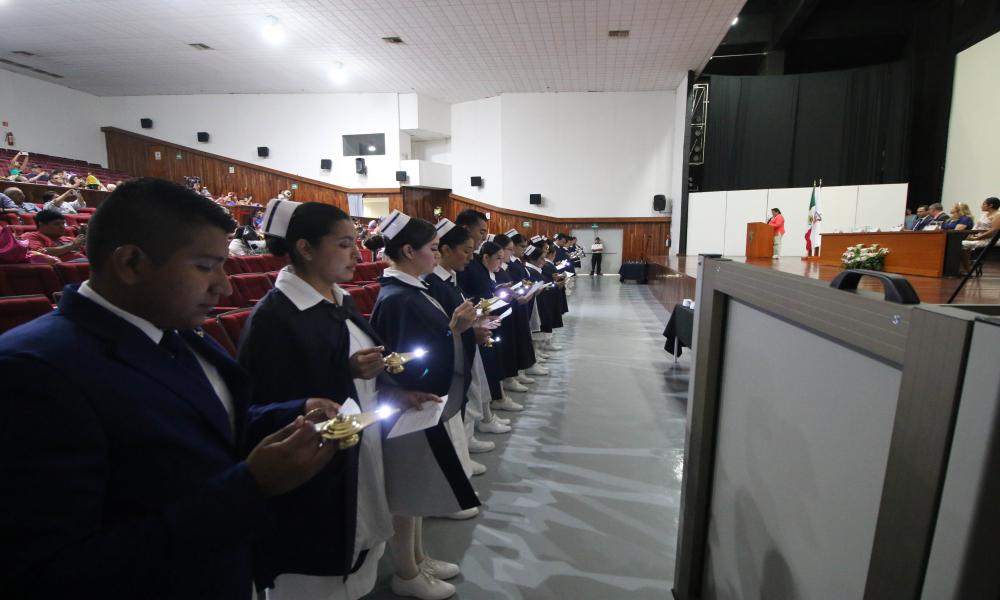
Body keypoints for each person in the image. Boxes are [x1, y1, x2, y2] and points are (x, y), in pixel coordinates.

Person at [0, 177, 338, 599]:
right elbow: (55, 569)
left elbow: (197, 423)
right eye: (205, 266)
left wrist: (291, 413)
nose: (224, 285)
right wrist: (250, 486)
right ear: (131, 263)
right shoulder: (33, 371)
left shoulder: (169, 327)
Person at [238, 200, 438, 600]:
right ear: (305, 248)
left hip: (361, 447)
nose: (357, 254)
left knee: (361, 549)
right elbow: (266, 407)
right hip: (315, 474)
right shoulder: (275, 318)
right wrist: (344, 372)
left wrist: (393, 391)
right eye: (344, 245)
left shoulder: (338, 300)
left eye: (354, 244)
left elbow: (359, 366)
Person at [369, 210, 480, 600]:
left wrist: (453, 330)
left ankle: (419, 557)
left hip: (423, 402)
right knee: (407, 490)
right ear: (407, 251)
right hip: (408, 405)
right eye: (432, 249)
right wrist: (454, 330)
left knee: (415, 488)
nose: (436, 255)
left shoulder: (413, 290)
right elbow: (406, 357)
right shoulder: (398, 297)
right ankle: (407, 570)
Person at [21, 209, 88, 262]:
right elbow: (39, 254)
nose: (62, 227)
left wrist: (87, 237)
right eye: (56, 224)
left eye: (63, 224)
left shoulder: (69, 239)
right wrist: (72, 245)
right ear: (42, 224)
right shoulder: (31, 236)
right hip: (61, 268)